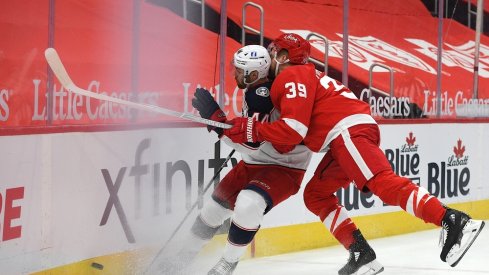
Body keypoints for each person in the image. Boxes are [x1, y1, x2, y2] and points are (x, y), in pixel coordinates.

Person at [222, 33, 485, 271]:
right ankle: (361, 253)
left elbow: (293, 130)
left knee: (381, 181)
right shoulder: (304, 75)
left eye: (272, 52)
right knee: (315, 195)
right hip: (344, 134)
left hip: (347, 131)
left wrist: (252, 130)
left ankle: (452, 220)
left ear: (282, 56)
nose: (268, 60)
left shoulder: (291, 75)